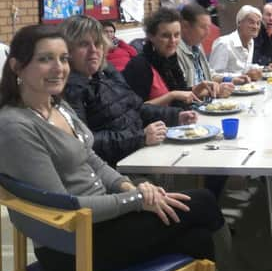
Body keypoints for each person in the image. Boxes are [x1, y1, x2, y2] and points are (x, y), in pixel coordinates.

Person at [0, 24, 244, 271]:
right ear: (16, 66)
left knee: (197, 238)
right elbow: (63, 208)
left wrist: (130, 186)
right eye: (45, 59)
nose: (59, 68)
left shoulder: (56, 104)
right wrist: (136, 199)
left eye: (63, 58)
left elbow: (92, 160)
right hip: (73, 243)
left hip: (103, 217)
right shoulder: (16, 126)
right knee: (203, 202)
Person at [59, 15, 196, 168]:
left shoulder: (107, 72)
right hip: (118, 167)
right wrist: (140, 137)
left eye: (97, 43)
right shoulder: (68, 89)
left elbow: (136, 107)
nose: (93, 50)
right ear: (67, 51)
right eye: (84, 44)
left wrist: (175, 116)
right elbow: (87, 141)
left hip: (139, 153)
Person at [122, 7, 218, 107]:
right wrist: (172, 96)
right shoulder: (139, 65)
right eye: (166, 36)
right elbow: (133, 109)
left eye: (177, 35)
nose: (173, 41)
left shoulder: (170, 57)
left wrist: (197, 89)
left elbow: (180, 94)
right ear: (151, 36)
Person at [178, 2, 249, 92]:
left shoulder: (197, 46)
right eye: (203, 27)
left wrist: (231, 80)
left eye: (208, 27)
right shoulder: (175, 51)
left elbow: (209, 74)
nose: (208, 32)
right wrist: (215, 91)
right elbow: (181, 92)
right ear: (185, 26)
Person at [209, 5, 263, 80]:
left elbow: (244, 68)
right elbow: (212, 76)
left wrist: (264, 69)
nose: (255, 27)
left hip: (246, 89)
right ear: (239, 23)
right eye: (251, 22)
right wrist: (242, 76)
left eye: (258, 23)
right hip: (226, 90)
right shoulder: (224, 43)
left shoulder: (251, 42)